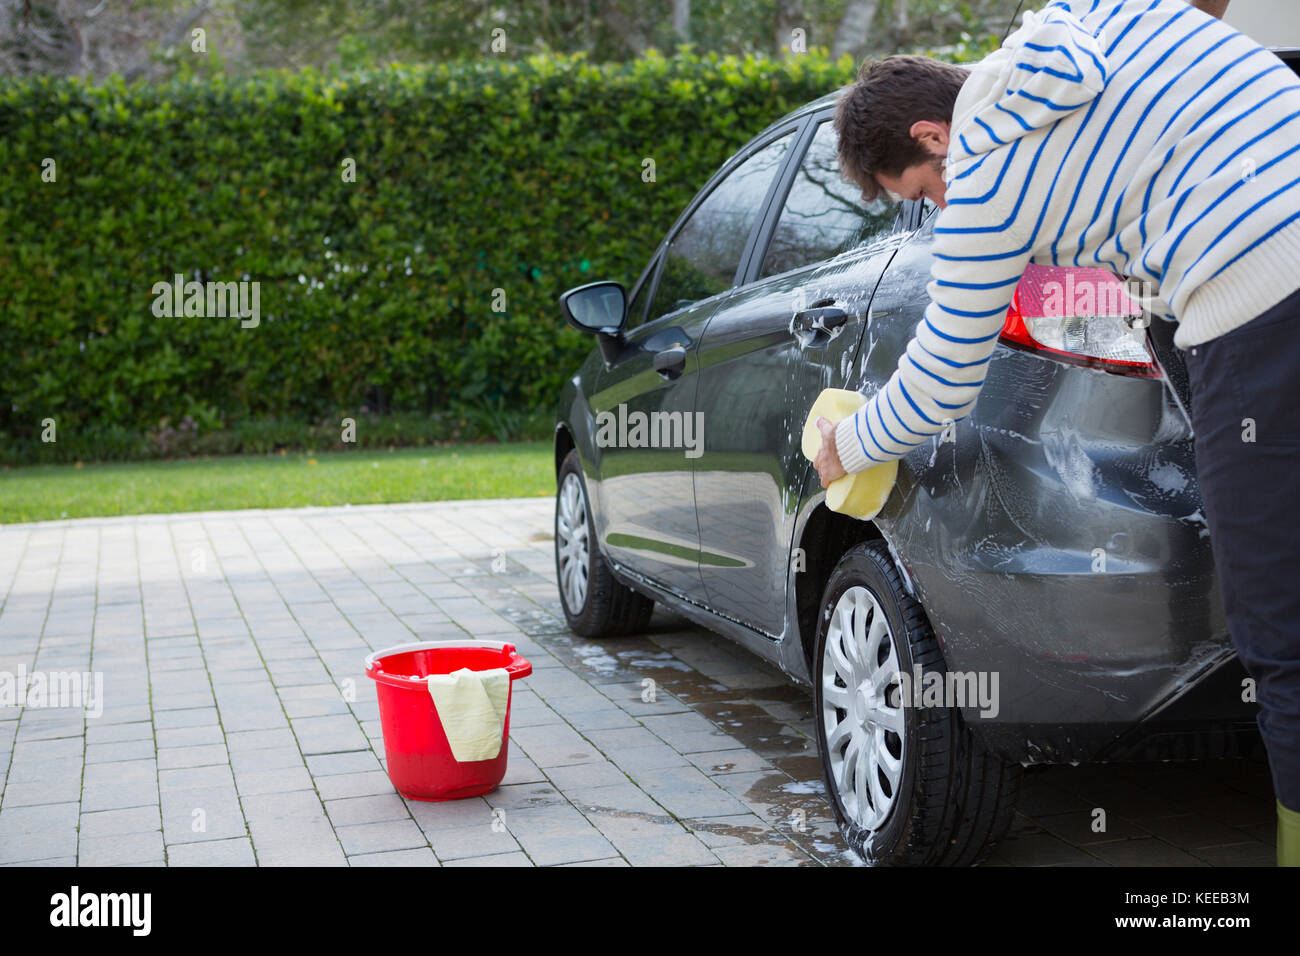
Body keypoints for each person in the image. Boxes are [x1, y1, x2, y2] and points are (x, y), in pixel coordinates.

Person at [810, 0, 1300, 864]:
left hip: (1256, 300)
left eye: (924, 191)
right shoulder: (1086, 13)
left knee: (1280, 626)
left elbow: (938, 382)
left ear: (933, 134)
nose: (939, 205)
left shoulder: (986, 191)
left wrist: (846, 447)